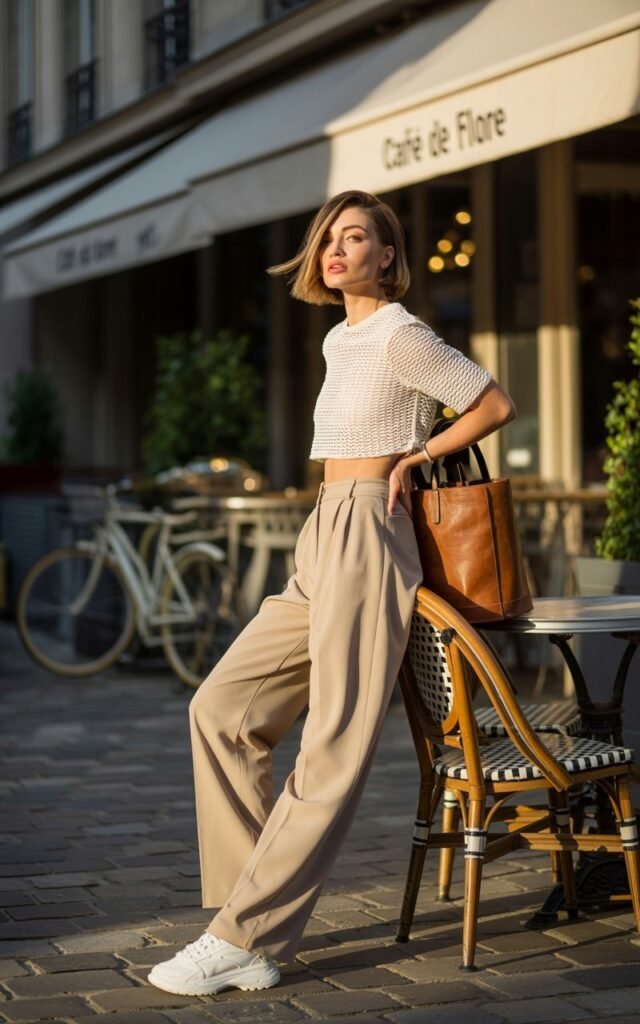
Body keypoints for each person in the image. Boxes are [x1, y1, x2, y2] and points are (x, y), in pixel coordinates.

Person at [148, 189, 515, 997]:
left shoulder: (400, 333)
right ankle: (246, 926)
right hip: (326, 529)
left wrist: (417, 458)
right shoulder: (337, 339)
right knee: (222, 710)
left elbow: (492, 402)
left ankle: (239, 934)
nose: (338, 250)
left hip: (371, 528)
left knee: (334, 741)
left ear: (389, 256)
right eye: (330, 240)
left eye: (358, 238)